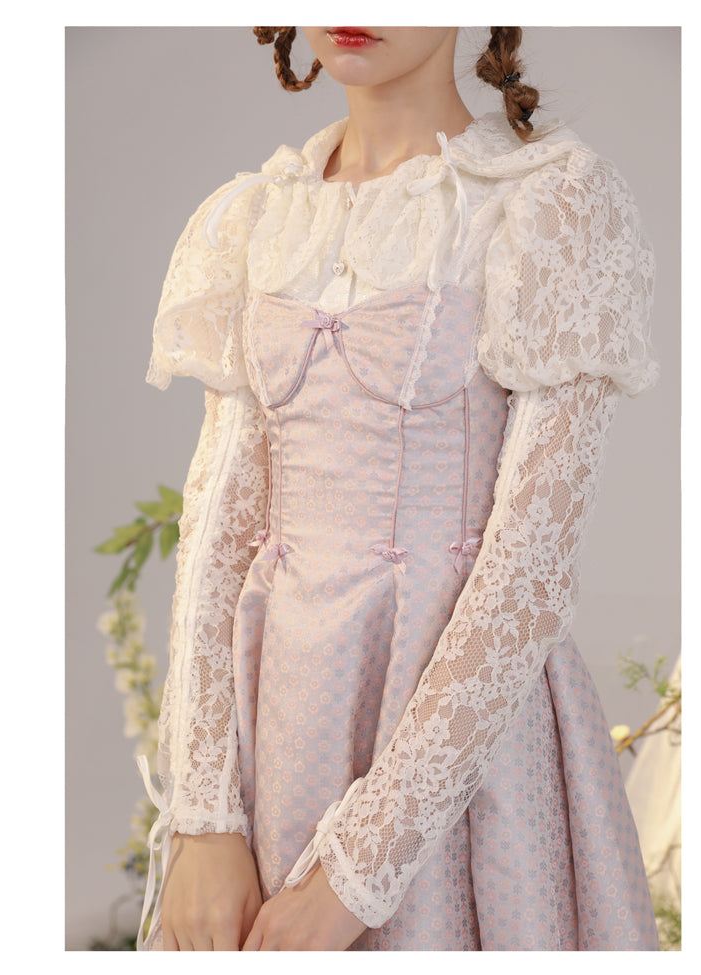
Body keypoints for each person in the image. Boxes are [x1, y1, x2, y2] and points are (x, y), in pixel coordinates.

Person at [136, 26, 661, 951]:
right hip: (280, 725)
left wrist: (356, 872)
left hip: (455, 754)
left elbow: (528, 577)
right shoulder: (260, 215)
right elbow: (217, 531)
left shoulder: (542, 205)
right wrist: (204, 817)